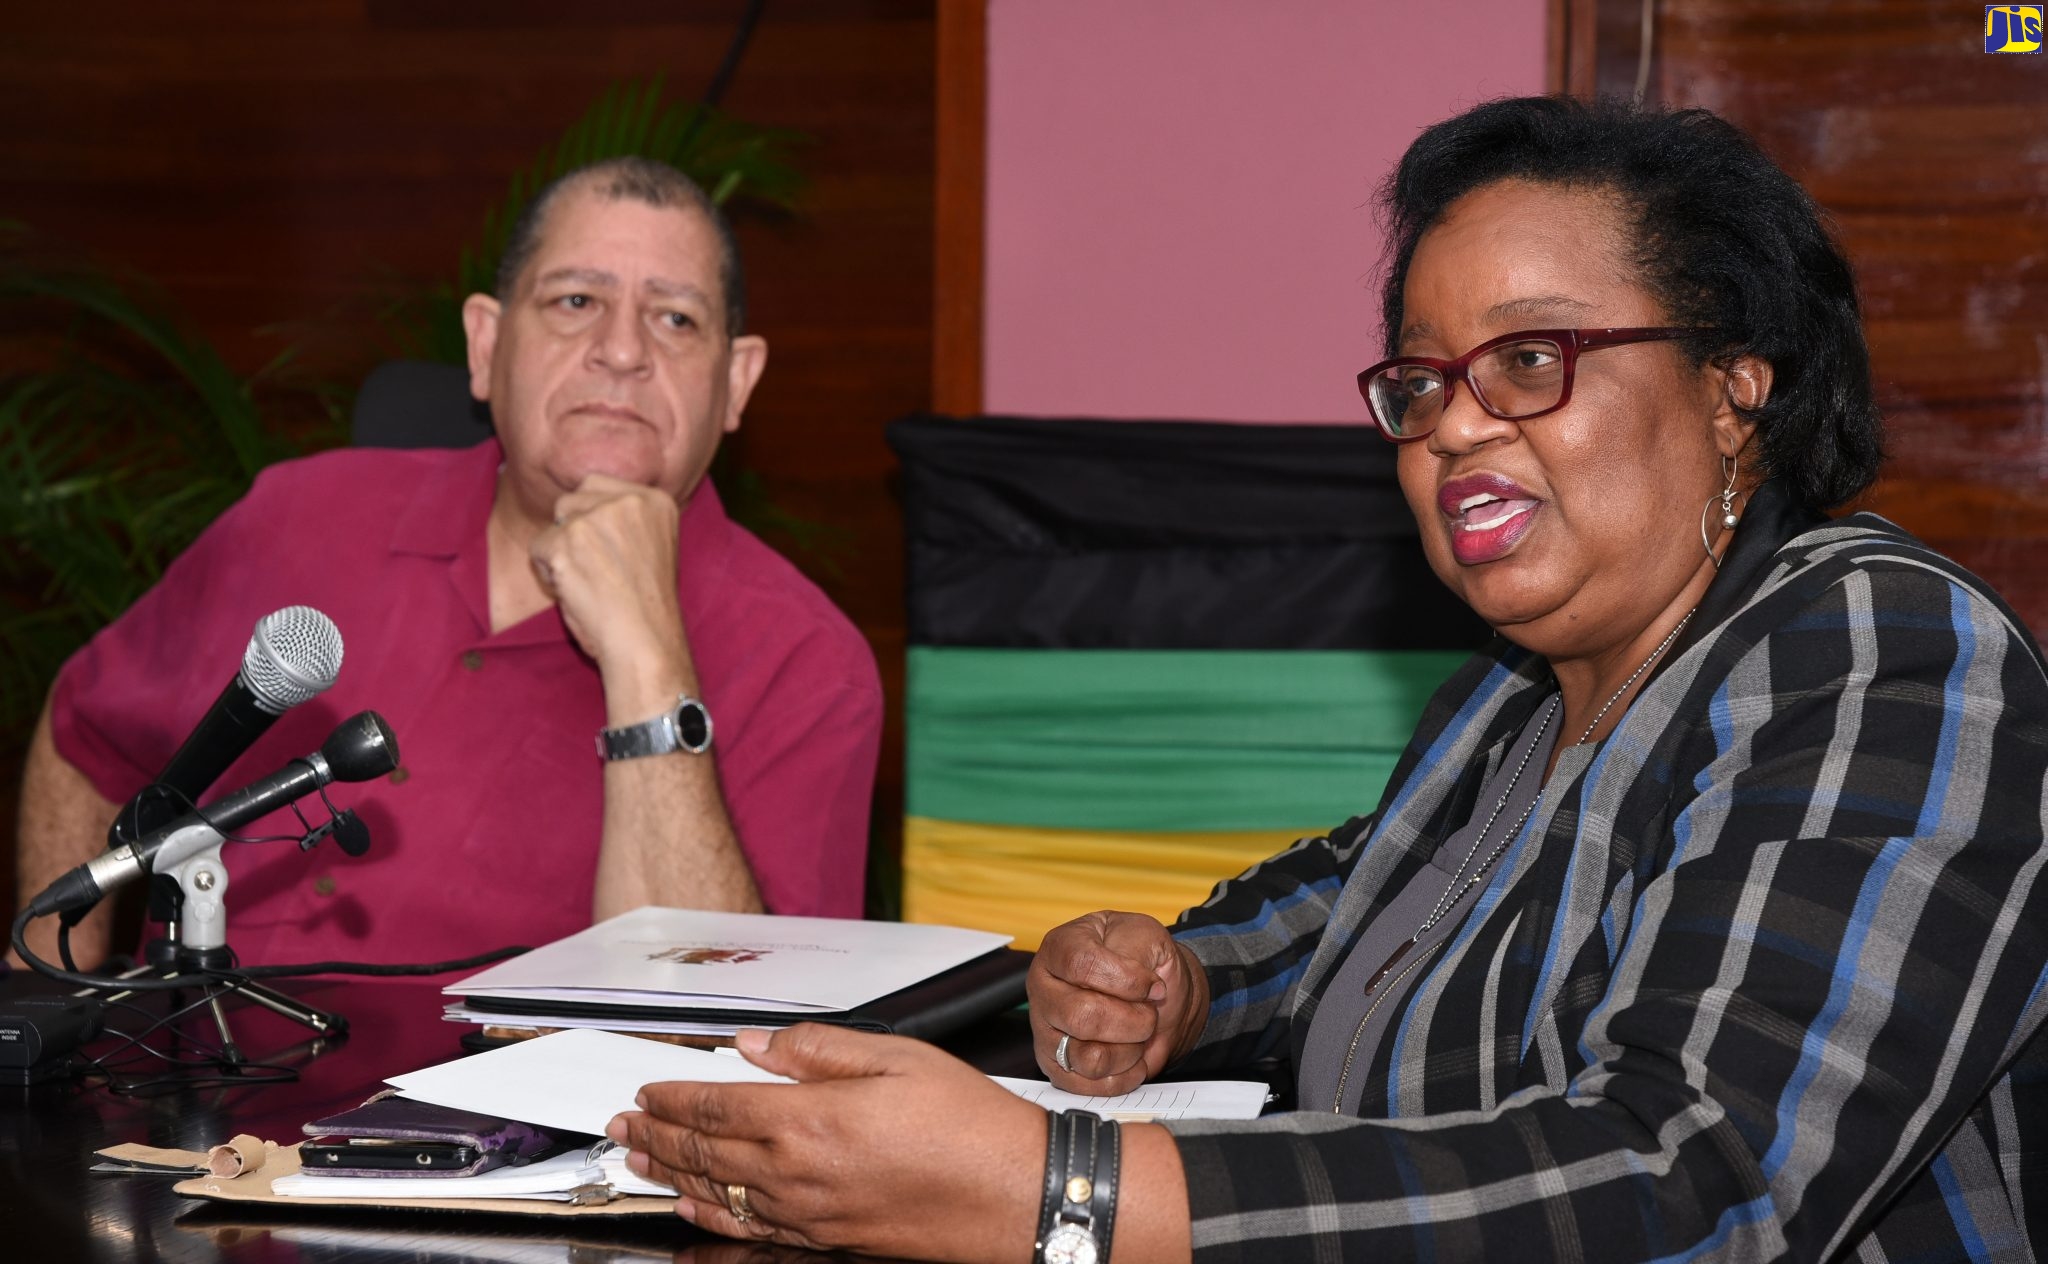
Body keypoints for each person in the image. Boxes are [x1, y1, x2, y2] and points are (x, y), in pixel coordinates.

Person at [604, 97, 2048, 1262]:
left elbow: (1703, 1181)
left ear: (1738, 388)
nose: (1455, 428)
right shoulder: (1516, 696)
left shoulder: (1879, 650)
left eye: (1530, 359)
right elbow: (1354, 902)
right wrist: (1180, 980)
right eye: (1420, 384)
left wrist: (1073, 1191)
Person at [12, 157, 883, 970]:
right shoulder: (299, 516)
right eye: (576, 301)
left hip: (533, 1137)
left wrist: (648, 658)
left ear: (735, 383)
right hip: (193, 1119)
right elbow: (83, 733)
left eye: (676, 317)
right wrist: (47, 1015)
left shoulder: (810, 665)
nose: (622, 351)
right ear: (484, 344)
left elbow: (719, 1034)